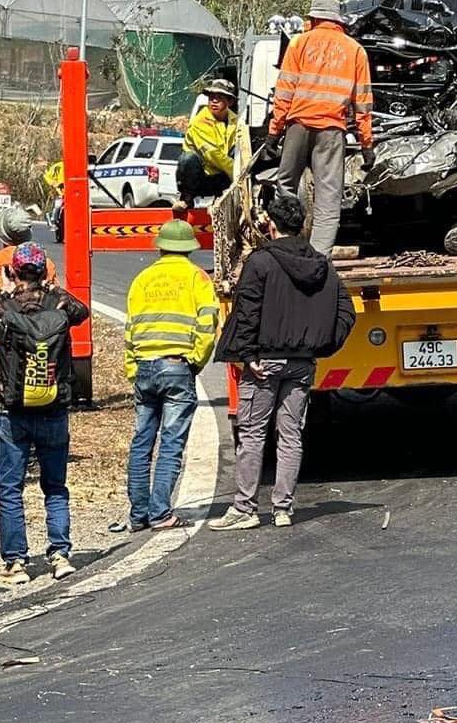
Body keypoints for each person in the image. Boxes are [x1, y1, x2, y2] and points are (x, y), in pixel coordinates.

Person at [209, 190, 356, 530]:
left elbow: (246, 313)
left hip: (265, 363)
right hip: (301, 363)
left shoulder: (260, 263)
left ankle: (244, 509)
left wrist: (246, 355)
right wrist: (322, 346)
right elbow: (345, 311)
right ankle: (283, 509)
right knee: (291, 436)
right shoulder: (322, 264)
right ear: (301, 226)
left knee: (253, 434)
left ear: (271, 226)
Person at [0, 242, 90, 585]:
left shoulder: (4, 304)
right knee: (55, 486)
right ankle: (59, 554)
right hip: (53, 406)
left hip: (11, 409)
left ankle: (16, 563)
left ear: (13, 271)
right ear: (43, 272)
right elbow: (81, 311)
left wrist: (6, 289)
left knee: (10, 488)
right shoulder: (58, 302)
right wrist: (52, 286)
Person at [123, 220, 220, 532]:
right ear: (190, 249)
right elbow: (208, 323)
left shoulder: (142, 279)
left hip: (143, 366)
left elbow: (131, 327)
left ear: (161, 246)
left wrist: (131, 368)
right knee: (170, 444)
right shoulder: (197, 277)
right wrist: (196, 361)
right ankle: (161, 513)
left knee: (141, 443)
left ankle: (138, 514)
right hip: (177, 365)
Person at [267, 0, 374, 256]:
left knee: (286, 185)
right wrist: (366, 144)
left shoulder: (298, 44)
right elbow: (363, 103)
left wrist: (273, 132)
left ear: (313, 18)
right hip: (331, 130)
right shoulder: (355, 50)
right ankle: (319, 256)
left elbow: (284, 91)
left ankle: (286, 245)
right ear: (339, 20)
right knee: (328, 196)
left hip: (297, 124)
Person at [176, 76, 239, 205]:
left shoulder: (236, 121)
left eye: (219, 98)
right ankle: (186, 198)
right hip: (202, 177)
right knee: (187, 159)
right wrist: (236, 172)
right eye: (211, 97)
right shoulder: (200, 121)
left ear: (230, 102)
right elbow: (212, 154)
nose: (214, 101)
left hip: (221, 176)